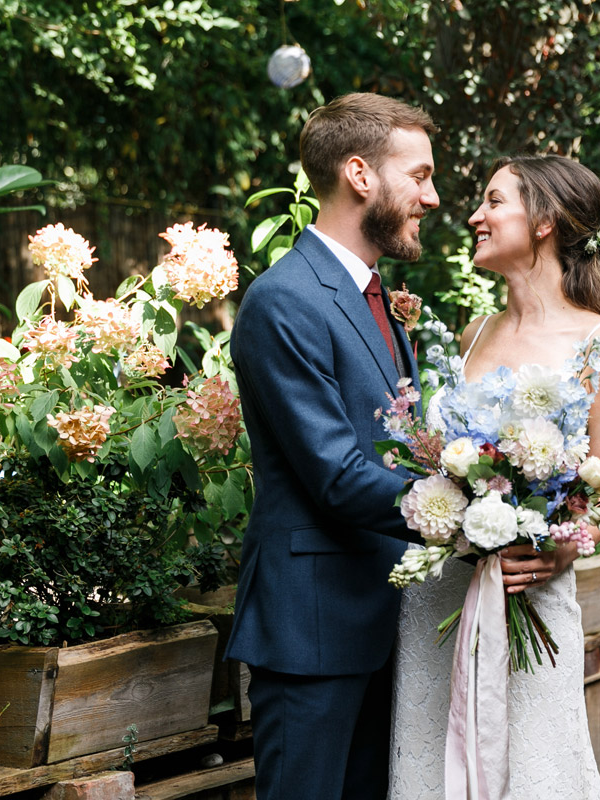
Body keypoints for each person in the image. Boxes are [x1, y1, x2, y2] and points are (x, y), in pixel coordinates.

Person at [388, 155, 600, 799]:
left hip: (528, 595)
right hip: (438, 598)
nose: (474, 215)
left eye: (494, 201)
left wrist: (556, 549)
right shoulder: (471, 335)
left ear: (545, 221)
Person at [227, 93, 439, 800]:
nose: (431, 197)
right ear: (360, 174)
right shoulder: (284, 299)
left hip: (384, 623)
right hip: (311, 629)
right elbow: (338, 474)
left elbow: (398, 452)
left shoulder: (377, 301)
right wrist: (465, 509)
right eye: (420, 175)